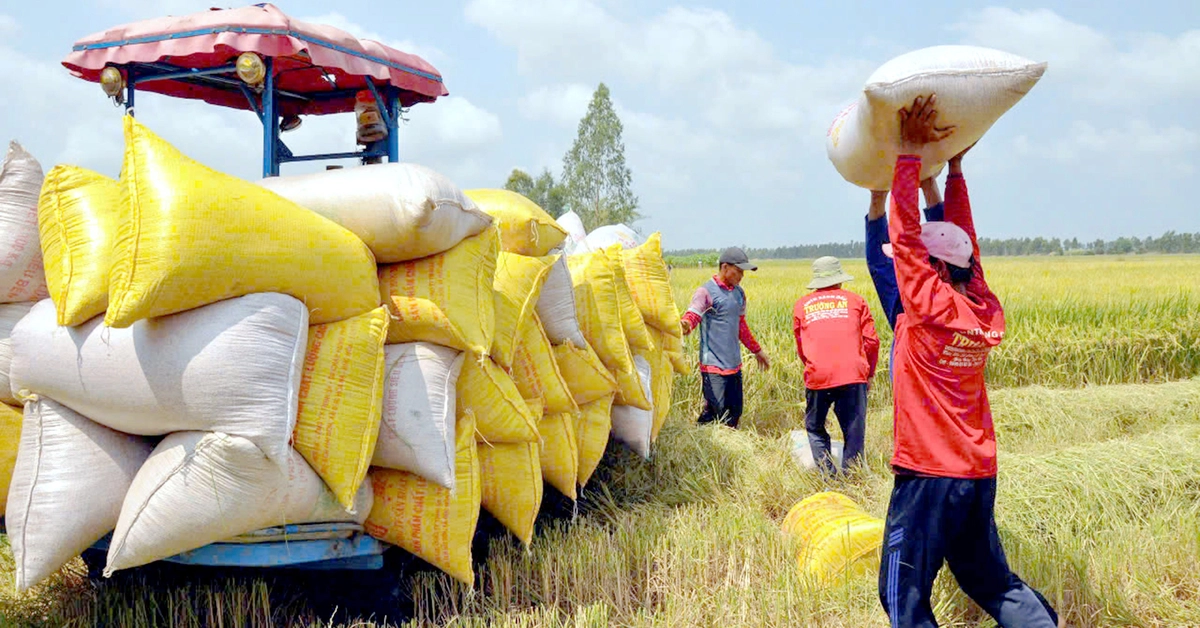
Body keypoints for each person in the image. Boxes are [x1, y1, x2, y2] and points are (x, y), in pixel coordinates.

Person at [878, 94, 1059, 628]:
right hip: (978, 473)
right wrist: (953, 172)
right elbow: (965, 246)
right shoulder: (981, 307)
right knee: (988, 579)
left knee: (903, 596)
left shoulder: (928, 307)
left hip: (928, 476)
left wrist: (910, 156)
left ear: (932, 268)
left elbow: (907, 240)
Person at [791, 256, 879, 473]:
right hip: (853, 374)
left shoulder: (801, 305)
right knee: (853, 431)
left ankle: (827, 476)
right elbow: (872, 341)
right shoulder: (856, 301)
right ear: (839, 280)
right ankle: (853, 477)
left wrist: (815, 365)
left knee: (815, 427)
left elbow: (801, 347)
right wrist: (868, 372)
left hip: (818, 376)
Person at [866, 167, 945, 378]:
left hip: (910, 376)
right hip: (938, 375)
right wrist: (929, 181)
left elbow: (877, 260)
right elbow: (945, 237)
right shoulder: (947, 284)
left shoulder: (901, 302)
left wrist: (877, 196)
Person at [680, 247, 771, 428]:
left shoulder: (739, 293)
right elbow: (693, 315)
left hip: (733, 364)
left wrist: (757, 350)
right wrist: (685, 325)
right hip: (712, 365)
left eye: (743, 272)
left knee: (735, 411)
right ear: (724, 267)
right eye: (738, 271)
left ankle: (730, 448)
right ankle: (700, 441)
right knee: (716, 410)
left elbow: (741, 326)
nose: (741, 276)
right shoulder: (705, 292)